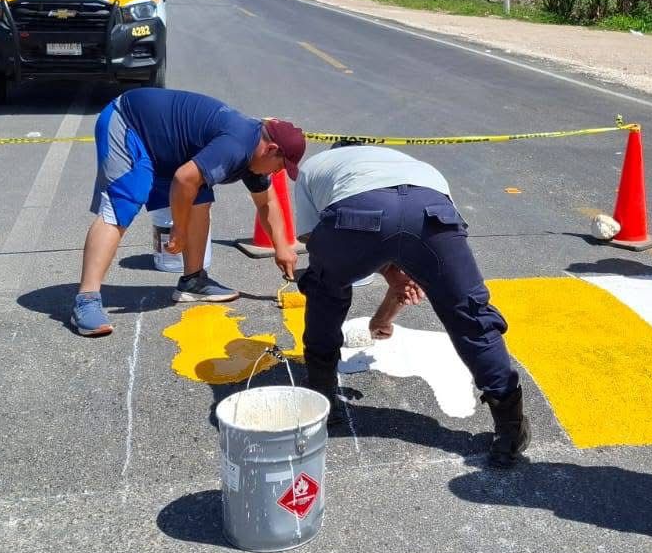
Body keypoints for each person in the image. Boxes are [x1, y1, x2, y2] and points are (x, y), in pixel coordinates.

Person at [293, 143, 529, 468]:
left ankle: (323, 396)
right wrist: (396, 277)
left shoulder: (315, 166)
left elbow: (313, 239)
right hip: (429, 206)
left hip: (356, 211)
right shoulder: (408, 162)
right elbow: (405, 231)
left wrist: (379, 266)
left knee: (325, 290)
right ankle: (509, 430)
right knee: (470, 313)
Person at [72, 89, 306, 337]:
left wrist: (282, 247)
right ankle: (86, 300)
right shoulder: (237, 146)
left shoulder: (255, 155)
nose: (278, 173)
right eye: (280, 166)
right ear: (271, 149)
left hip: (168, 145)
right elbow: (184, 178)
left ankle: (193, 281)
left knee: (200, 197)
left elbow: (267, 202)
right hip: (128, 122)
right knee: (124, 202)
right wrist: (179, 231)